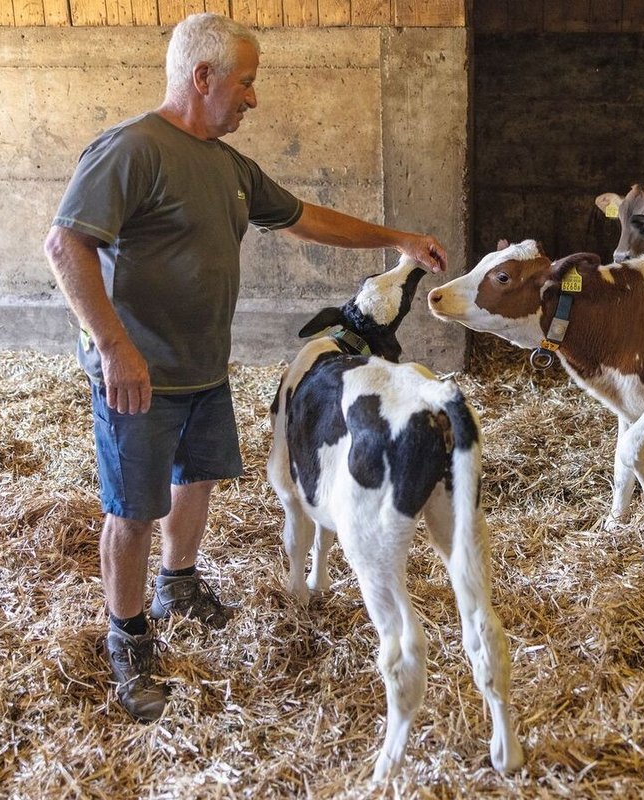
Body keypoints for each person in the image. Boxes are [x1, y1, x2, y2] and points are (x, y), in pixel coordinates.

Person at [43, 12, 447, 723]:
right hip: (138, 373)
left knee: (196, 479)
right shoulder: (133, 149)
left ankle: (179, 583)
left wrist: (399, 239)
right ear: (203, 78)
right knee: (133, 509)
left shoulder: (228, 166)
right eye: (247, 82)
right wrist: (114, 346)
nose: (253, 98)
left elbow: (306, 218)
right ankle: (127, 638)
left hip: (201, 368)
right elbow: (65, 246)